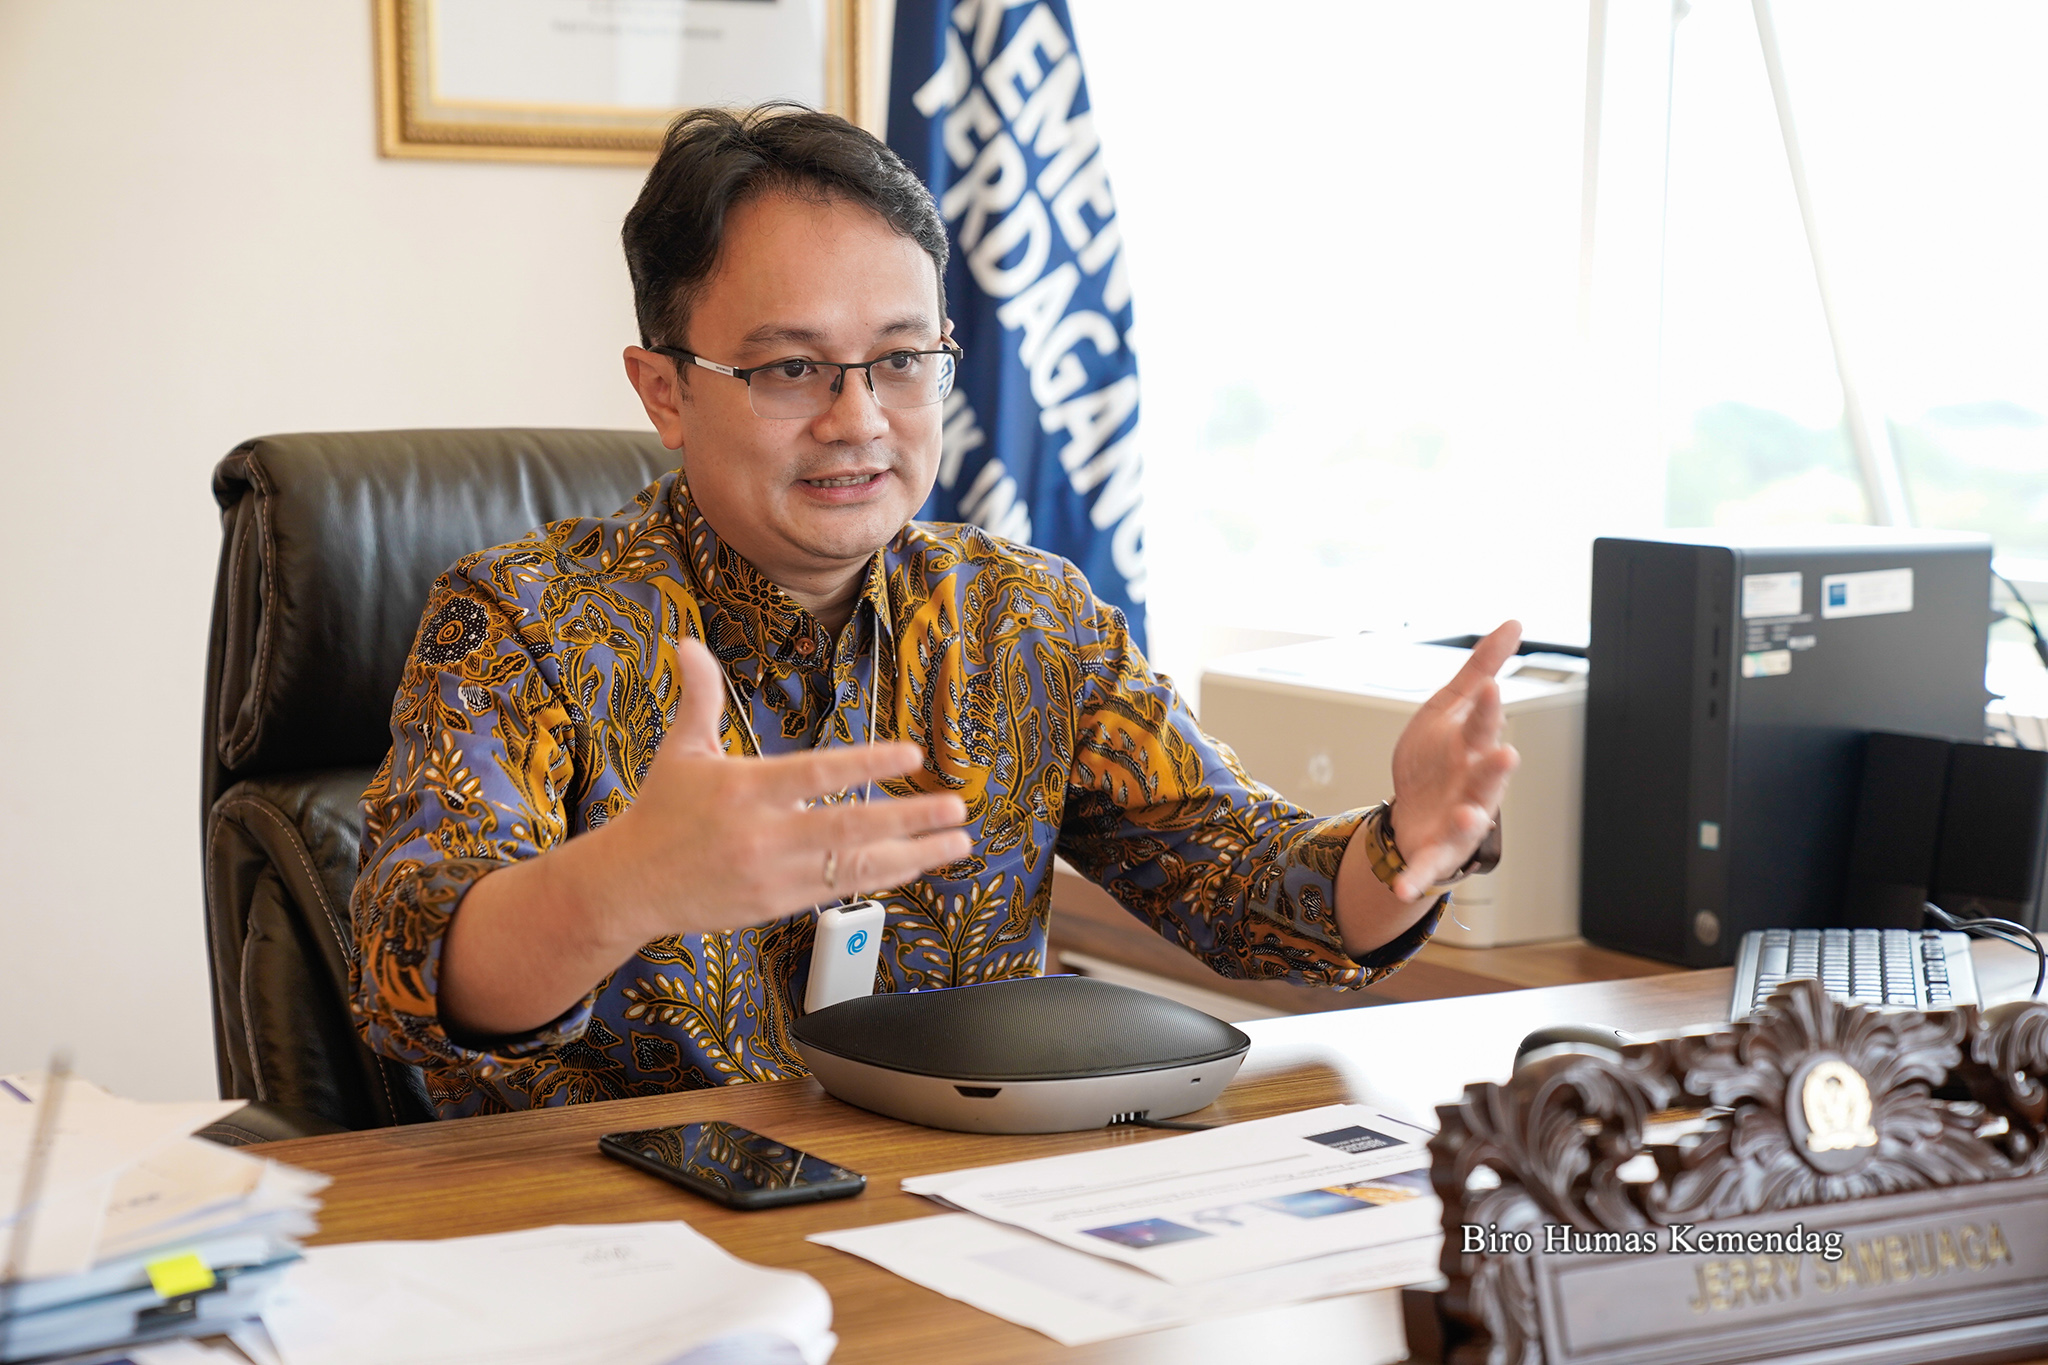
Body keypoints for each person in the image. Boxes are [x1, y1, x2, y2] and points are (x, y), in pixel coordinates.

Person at [349, 104, 1520, 1118]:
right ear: (664, 390)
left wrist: (1408, 844)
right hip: (624, 1226)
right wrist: (623, 885)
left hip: (955, 1211)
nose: (859, 420)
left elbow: (1249, 890)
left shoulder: (1025, 616)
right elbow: (407, 971)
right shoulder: (524, 619)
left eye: (903, 359)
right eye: (789, 369)